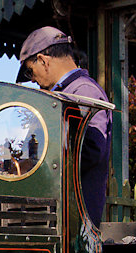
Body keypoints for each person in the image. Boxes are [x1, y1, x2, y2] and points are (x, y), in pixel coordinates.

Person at [16, 26, 112, 227]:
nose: (32, 79)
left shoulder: (83, 90)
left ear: (43, 60)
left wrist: (38, 168)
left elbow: (91, 151)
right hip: (56, 215)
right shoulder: (60, 95)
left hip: (72, 219)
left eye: (29, 71)